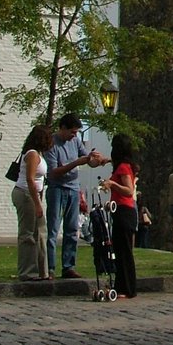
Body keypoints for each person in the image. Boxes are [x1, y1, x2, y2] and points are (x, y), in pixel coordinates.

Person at [45, 113, 108, 280]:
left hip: (73, 188)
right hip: (57, 189)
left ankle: (68, 266)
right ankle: (49, 268)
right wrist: (76, 163)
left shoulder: (75, 141)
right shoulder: (52, 144)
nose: (74, 135)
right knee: (52, 229)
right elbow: (53, 173)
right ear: (63, 128)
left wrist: (99, 160)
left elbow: (87, 160)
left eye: (76, 133)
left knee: (72, 229)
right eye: (72, 132)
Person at [10, 124, 53, 281]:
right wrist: (37, 203)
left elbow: (40, 179)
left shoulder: (39, 154)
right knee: (28, 233)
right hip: (25, 194)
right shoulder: (32, 154)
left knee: (41, 232)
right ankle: (27, 271)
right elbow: (30, 179)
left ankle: (43, 271)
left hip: (34, 195)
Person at [100, 134, 138, 299]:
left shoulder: (123, 168)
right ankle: (122, 285)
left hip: (124, 210)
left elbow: (129, 191)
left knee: (124, 251)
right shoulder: (125, 165)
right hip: (120, 211)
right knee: (120, 250)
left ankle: (127, 288)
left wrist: (112, 184)